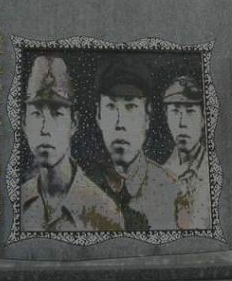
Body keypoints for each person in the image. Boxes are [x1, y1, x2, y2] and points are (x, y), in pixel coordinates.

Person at [20, 55, 122, 232]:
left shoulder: (103, 211)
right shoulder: (17, 199)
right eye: (36, 114)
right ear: (24, 124)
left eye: (57, 114)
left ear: (73, 123)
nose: (45, 129)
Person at [94, 57, 178, 231]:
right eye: (110, 107)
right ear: (99, 115)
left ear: (147, 117)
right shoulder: (83, 188)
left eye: (131, 107)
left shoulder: (172, 191)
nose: (120, 123)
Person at [161, 75, 212, 229]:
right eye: (175, 112)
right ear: (166, 117)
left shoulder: (212, 172)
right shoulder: (160, 175)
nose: (182, 123)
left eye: (190, 112)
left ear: (203, 119)